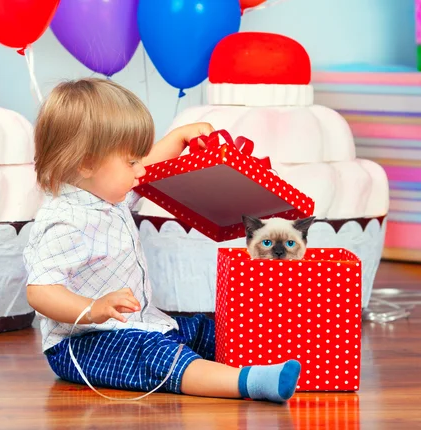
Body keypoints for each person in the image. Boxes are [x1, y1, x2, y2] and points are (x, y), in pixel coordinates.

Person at [23, 78, 301, 403]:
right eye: (131, 162)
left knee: (202, 327)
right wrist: (93, 308)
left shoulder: (107, 195)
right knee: (159, 357)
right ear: (86, 163)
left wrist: (179, 138)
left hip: (138, 323)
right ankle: (248, 381)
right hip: (84, 343)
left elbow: (150, 166)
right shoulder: (65, 221)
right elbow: (40, 291)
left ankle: (286, 355)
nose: (140, 170)